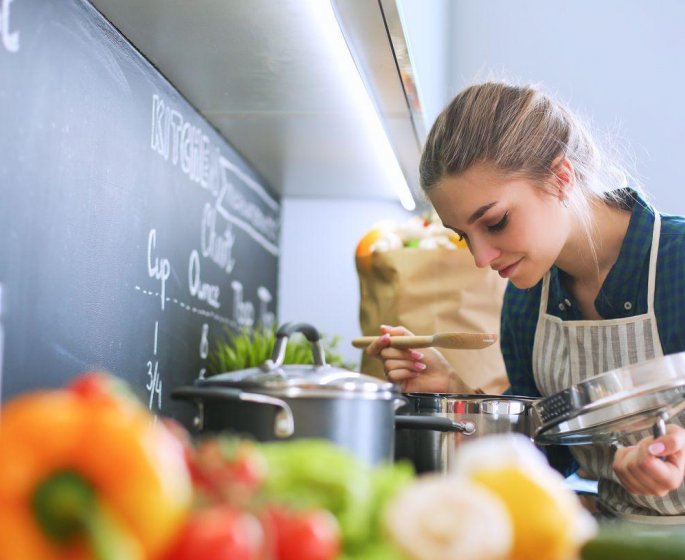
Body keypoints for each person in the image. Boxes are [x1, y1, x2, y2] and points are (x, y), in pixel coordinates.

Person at [366, 81, 685, 521]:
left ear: (561, 177)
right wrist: (455, 394)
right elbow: (543, 461)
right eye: (463, 236)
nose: (481, 258)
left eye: (495, 222)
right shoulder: (526, 302)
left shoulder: (678, 263)